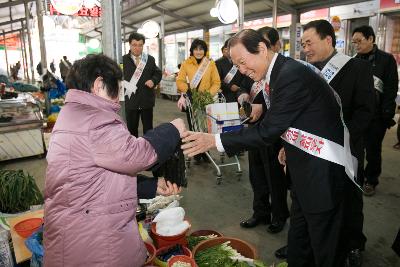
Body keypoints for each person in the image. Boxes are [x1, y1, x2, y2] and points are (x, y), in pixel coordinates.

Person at [182, 29, 354, 266]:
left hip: (321, 172)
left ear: (262, 49)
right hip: (304, 167)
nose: (241, 71)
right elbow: (302, 116)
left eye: (243, 62)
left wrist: (215, 140)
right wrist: (284, 139)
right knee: (300, 238)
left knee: (325, 245)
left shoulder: (289, 74)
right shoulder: (280, 72)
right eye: (237, 65)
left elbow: (267, 132)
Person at [44, 54, 185, 267]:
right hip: (94, 244)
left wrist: (151, 186)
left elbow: (93, 180)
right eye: (117, 89)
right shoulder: (94, 120)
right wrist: (173, 130)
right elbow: (136, 155)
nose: (119, 98)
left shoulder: (72, 113)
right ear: (99, 85)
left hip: (77, 233)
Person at [275, 20, 376, 266]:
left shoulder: (357, 69)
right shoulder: (304, 71)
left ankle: (353, 244)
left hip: (344, 150)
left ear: (328, 40)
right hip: (310, 154)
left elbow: (365, 112)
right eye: (302, 44)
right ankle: (306, 245)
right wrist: (289, 144)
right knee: (311, 202)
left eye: (309, 43)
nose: (305, 49)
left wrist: (340, 139)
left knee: (349, 200)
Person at [238, 26, 289, 234]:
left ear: (275, 46)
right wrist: (242, 94)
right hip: (254, 126)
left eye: (267, 45)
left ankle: (279, 215)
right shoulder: (251, 66)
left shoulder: (283, 72)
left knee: (274, 176)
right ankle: (260, 212)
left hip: (274, 132)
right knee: (256, 174)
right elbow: (242, 84)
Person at [352, 25, 399, 196]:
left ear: (371, 39)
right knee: (357, 148)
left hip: (377, 115)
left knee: (373, 150)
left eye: (359, 41)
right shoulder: (355, 61)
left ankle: (371, 180)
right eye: (354, 42)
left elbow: (392, 87)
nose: (356, 45)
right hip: (359, 114)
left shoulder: (386, 60)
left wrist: (387, 112)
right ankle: (358, 176)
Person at [176, 38, 221, 164]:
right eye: (196, 49)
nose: (199, 51)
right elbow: (179, 81)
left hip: (207, 101)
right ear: (192, 50)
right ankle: (197, 153)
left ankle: (205, 152)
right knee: (194, 128)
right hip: (192, 101)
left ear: (205, 51)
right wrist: (189, 91)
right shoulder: (186, 64)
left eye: (201, 49)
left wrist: (208, 94)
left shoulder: (210, 64)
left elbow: (216, 82)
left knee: (206, 128)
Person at [123, 32, 162, 138]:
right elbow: (117, 78)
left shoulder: (149, 59)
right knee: (131, 130)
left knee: (149, 130)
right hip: (131, 101)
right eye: (134, 45)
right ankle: (134, 152)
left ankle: (148, 151)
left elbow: (158, 73)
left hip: (146, 101)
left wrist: (153, 80)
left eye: (140, 45)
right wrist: (125, 85)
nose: (137, 48)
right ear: (129, 45)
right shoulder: (122, 61)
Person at [215, 38, 244, 103]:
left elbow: (244, 76)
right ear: (226, 49)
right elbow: (216, 80)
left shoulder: (240, 61)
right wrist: (230, 86)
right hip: (225, 96)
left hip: (240, 95)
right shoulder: (218, 63)